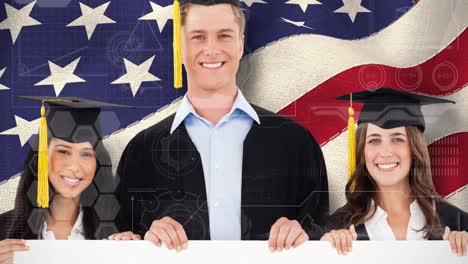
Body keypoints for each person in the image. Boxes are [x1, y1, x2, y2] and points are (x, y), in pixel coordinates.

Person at [115, 0, 329, 252]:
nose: (211, 49)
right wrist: (142, 239)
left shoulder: (294, 142)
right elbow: (123, 240)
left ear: (240, 44)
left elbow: (322, 231)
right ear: (178, 46)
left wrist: (304, 233)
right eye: (198, 37)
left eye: (224, 36)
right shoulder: (142, 151)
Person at [320, 87, 468, 256]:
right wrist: (322, 253)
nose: (386, 152)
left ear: (414, 148)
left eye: (398, 139)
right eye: (374, 140)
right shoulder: (337, 228)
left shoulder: (458, 223)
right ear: (362, 151)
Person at [0, 96, 139, 263]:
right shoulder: (3, 230)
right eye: (64, 152)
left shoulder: (118, 234)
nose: (75, 167)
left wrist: (133, 255)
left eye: (86, 154)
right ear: (42, 156)